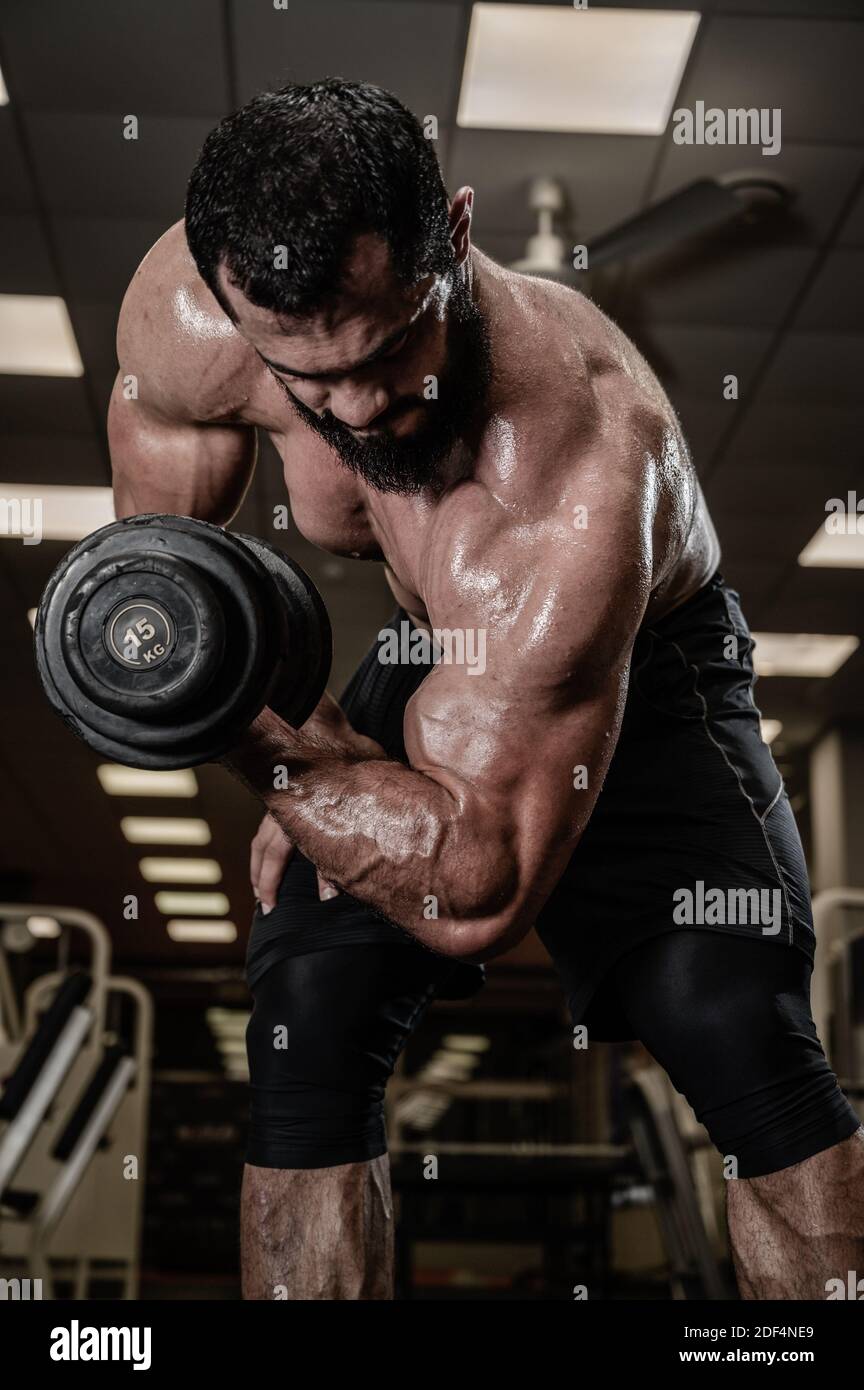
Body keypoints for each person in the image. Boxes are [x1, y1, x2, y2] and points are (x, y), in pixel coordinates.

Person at [109, 78, 863, 1300]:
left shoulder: (572, 468)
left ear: (455, 232)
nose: (358, 408)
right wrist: (278, 735)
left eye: (390, 351)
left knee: (733, 1025)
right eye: (312, 381)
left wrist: (272, 752)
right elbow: (165, 580)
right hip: (434, 640)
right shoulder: (194, 317)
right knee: (307, 1004)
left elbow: (475, 894)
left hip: (642, 665)